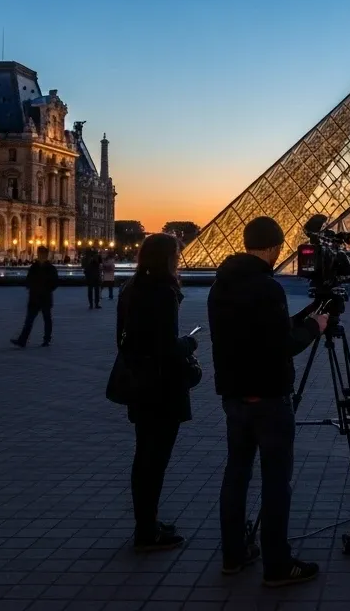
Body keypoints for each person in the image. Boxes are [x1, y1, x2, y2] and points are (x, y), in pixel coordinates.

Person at [208, 216, 327, 587]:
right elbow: (282, 345)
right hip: (270, 398)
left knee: (236, 475)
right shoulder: (268, 288)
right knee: (276, 481)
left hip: (234, 396)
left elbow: (258, 331)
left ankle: (234, 554)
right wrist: (316, 327)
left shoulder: (220, 284)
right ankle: (278, 564)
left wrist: (305, 316)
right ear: (275, 247)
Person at [117, 234, 200, 551]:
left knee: (144, 457)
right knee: (156, 460)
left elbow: (123, 342)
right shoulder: (164, 293)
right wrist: (189, 343)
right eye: (177, 255)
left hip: (139, 384)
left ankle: (146, 522)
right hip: (162, 388)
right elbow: (167, 348)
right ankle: (147, 531)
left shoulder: (131, 289)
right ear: (167, 258)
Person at [11, 246, 60, 348]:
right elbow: (28, 279)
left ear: (46, 255)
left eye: (42, 254)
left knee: (47, 320)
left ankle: (46, 339)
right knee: (29, 320)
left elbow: (55, 283)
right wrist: (30, 286)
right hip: (34, 297)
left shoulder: (50, 268)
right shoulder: (34, 267)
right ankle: (22, 340)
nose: (40, 256)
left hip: (45, 297)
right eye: (39, 254)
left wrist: (46, 289)